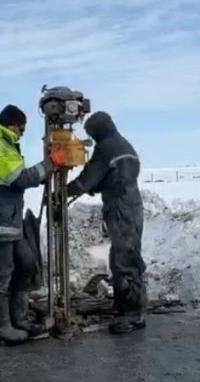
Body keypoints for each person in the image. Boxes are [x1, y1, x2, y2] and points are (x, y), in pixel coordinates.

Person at [0, 104, 67, 345]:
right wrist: (50, 163)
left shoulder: (6, 144)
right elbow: (20, 178)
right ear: (12, 125)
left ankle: (19, 319)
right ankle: (0, 328)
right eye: (22, 129)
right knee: (0, 276)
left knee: (25, 264)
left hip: (9, 221)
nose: (23, 133)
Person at [66, 111, 147, 334]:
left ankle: (133, 314)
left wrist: (64, 190)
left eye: (91, 133)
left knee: (125, 259)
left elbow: (88, 179)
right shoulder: (124, 145)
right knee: (124, 255)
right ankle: (125, 306)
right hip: (132, 204)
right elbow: (114, 176)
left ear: (97, 131)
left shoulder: (106, 147)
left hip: (120, 207)